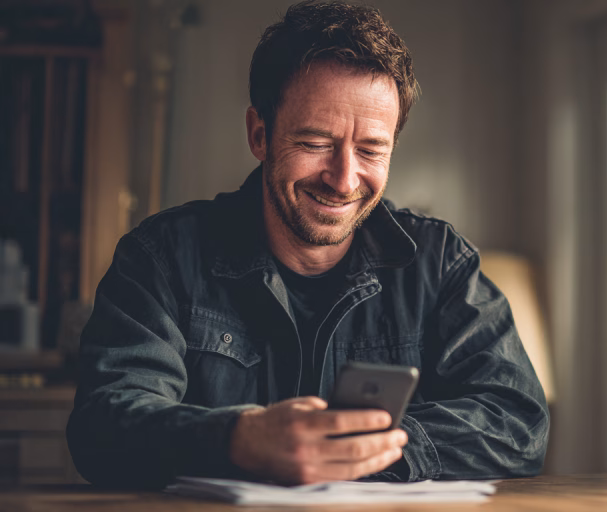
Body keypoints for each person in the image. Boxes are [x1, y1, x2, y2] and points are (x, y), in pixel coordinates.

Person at [66, 0, 548, 488]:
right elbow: (104, 424)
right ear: (260, 134)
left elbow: (518, 426)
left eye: (370, 150)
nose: (343, 179)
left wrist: (358, 450)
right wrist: (239, 439)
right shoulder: (160, 258)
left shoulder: (441, 263)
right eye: (315, 143)